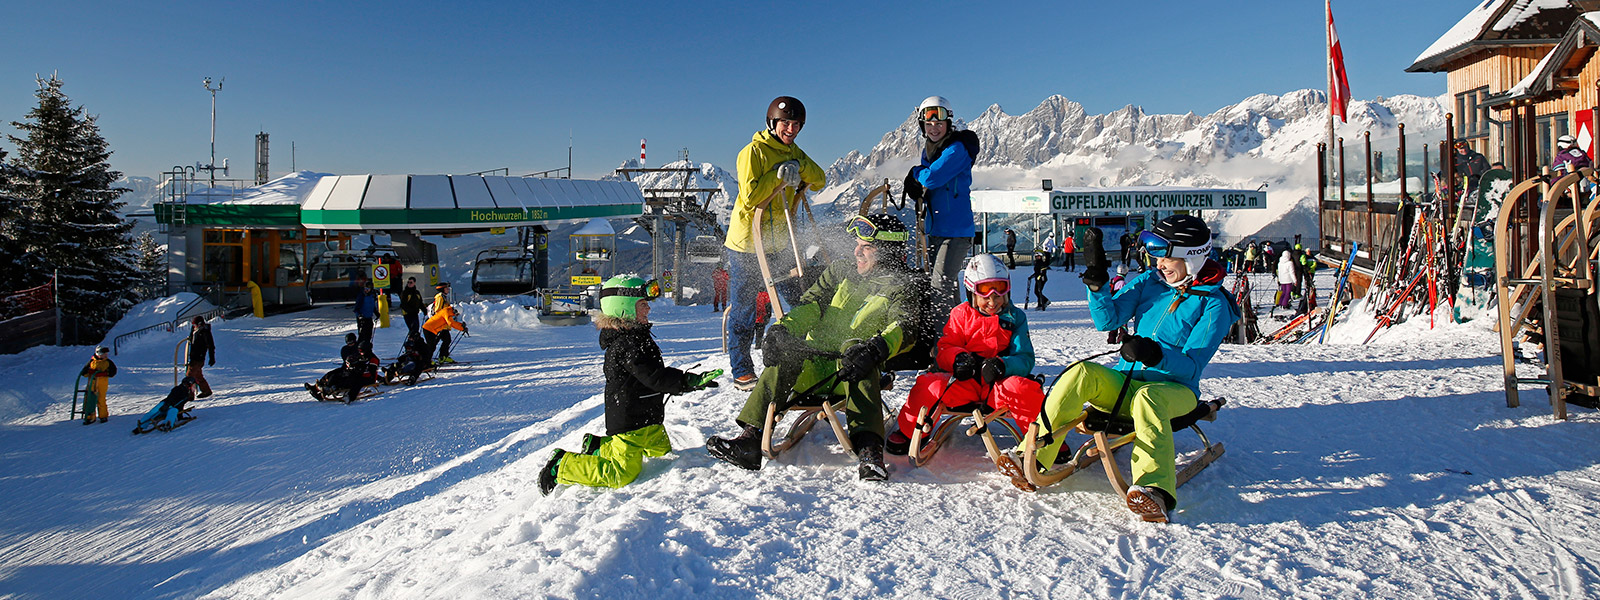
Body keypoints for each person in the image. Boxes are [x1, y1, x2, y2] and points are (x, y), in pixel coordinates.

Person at [1031, 215, 1239, 522]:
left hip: (1176, 392)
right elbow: (1108, 320)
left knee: (1148, 398)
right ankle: (1033, 456)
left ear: (1192, 259)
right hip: (1127, 383)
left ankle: (1155, 489)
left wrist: (1156, 355)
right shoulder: (1150, 283)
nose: (1159, 263)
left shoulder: (1214, 304)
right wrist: (1098, 284)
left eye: (1168, 256)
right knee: (1081, 372)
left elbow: (1192, 365)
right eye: (1156, 255)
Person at [706, 214, 920, 481]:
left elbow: (904, 327)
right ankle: (751, 438)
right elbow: (812, 305)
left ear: (887, 251)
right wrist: (784, 329)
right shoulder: (841, 270)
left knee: (859, 356)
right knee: (787, 353)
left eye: (866, 247)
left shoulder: (902, 286)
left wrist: (876, 348)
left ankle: (870, 452)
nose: (857, 251)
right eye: (857, 244)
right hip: (815, 365)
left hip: (854, 370)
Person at [539, 275, 722, 495]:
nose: (648, 309)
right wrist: (688, 381)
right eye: (643, 304)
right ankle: (562, 465)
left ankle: (598, 448)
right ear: (624, 308)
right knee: (621, 473)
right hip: (630, 420)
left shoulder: (637, 335)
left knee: (663, 455)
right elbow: (654, 376)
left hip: (649, 417)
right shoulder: (626, 344)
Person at [885, 253, 1044, 455]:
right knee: (929, 385)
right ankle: (910, 431)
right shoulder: (960, 315)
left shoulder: (1015, 318)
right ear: (971, 292)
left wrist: (1004, 365)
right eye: (985, 294)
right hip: (964, 384)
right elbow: (945, 348)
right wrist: (958, 359)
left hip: (998, 387)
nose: (992, 301)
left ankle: (1043, 437)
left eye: (999, 293)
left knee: (1023, 388)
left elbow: (1025, 358)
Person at [722, 96, 827, 391]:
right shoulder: (753, 152)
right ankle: (741, 368)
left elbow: (819, 179)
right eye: (785, 123)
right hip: (747, 244)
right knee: (744, 308)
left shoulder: (794, 151)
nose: (790, 129)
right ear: (773, 123)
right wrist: (778, 177)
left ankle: (810, 354)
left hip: (779, 242)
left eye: (795, 124)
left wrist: (796, 166)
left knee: (799, 298)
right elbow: (752, 196)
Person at [902, 96, 980, 316]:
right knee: (948, 289)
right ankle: (957, 337)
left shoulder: (957, 149)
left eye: (939, 123)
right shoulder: (931, 150)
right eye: (929, 123)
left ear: (949, 123)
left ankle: (941, 345)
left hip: (955, 232)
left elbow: (932, 179)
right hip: (937, 229)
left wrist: (916, 173)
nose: (934, 128)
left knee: (940, 288)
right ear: (922, 125)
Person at [425, 282, 468, 364]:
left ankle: (443, 356)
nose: (448, 290)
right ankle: (427, 359)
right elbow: (438, 310)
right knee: (434, 343)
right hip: (440, 324)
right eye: (446, 288)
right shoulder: (440, 297)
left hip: (444, 324)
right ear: (442, 289)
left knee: (446, 340)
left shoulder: (444, 297)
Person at [78, 347, 116, 425]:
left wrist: (105, 373)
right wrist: (90, 372)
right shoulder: (92, 362)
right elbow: (84, 372)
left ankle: (103, 416)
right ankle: (90, 416)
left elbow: (113, 372)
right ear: (98, 354)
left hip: (102, 383)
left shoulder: (108, 362)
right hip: (92, 383)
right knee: (90, 399)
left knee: (101, 399)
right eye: (104, 354)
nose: (105, 356)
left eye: (106, 354)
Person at [185, 316, 216, 399]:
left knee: (189, 376)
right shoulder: (195, 331)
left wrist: (212, 357)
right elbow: (192, 340)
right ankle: (206, 391)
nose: (194, 326)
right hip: (194, 356)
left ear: (199, 324)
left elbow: (211, 345)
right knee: (198, 376)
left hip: (199, 357)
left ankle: (189, 395)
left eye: (195, 325)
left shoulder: (205, 332)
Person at [1106, 265, 1130, 344]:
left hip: (1113, 304)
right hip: (1120, 305)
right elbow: (1124, 294)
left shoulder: (1113, 280)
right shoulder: (1122, 282)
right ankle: (1122, 339)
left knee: (1115, 322)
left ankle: (1111, 339)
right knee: (1123, 322)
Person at [354, 280, 378, 344]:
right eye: (365, 288)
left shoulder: (372, 295)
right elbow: (356, 308)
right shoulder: (361, 296)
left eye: (368, 289)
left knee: (369, 334)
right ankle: (359, 348)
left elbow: (372, 305)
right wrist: (359, 315)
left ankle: (367, 348)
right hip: (362, 318)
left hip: (369, 317)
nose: (366, 290)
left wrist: (376, 313)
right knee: (362, 335)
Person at [1273, 247, 1296, 313]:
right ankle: (1284, 304)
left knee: (1283, 292)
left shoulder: (1280, 263)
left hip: (1282, 279)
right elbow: (1292, 272)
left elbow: (1279, 272)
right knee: (1287, 292)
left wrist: (1279, 279)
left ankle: (1280, 303)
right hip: (1288, 279)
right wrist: (1295, 280)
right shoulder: (1290, 263)